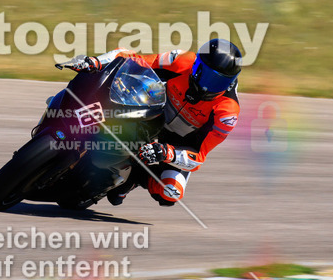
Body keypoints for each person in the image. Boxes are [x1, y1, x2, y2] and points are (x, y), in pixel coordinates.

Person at [59, 39, 242, 207]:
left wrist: (166, 153)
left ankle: (134, 179)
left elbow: (199, 157)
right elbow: (134, 58)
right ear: (197, 64)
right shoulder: (181, 60)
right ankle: (68, 123)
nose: (207, 86)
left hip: (177, 144)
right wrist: (96, 62)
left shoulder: (227, 112)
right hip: (150, 113)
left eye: (219, 82)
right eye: (206, 76)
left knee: (171, 192)